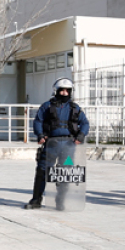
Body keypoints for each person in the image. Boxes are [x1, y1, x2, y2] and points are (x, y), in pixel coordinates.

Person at [25, 78, 90, 210]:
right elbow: (38, 121)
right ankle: (36, 200)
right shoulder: (47, 106)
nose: (64, 93)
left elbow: (85, 123)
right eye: (62, 90)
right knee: (42, 171)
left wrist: (81, 136)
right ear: (56, 91)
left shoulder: (75, 108)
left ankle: (60, 201)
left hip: (68, 144)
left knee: (65, 172)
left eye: (67, 91)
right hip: (51, 144)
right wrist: (40, 135)